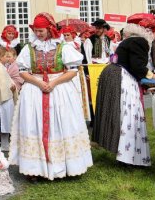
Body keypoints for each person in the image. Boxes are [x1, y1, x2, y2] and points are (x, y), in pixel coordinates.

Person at [10, 13, 93, 181]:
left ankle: (64, 167)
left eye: (41, 30)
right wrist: (39, 83)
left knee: (61, 125)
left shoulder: (63, 46)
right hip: (34, 90)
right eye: (36, 31)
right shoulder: (29, 48)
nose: (38, 34)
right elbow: (23, 72)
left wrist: (54, 83)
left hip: (60, 90)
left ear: (49, 29)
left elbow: (72, 71)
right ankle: (35, 169)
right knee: (34, 125)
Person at [92, 19, 155, 166]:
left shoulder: (131, 40)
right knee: (128, 116)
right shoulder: (141, 41)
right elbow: (137, 66)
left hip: (113, 74)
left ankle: (122, 152)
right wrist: (152, 76)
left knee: (117, 114)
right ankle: (127, 156)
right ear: (150, 31)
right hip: (121, 77)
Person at [0, 47, 16, 152]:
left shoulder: (0, 66)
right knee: (3, 123)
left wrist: (11, 86)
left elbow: (6, 80)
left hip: (6, 99)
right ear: (0, 57)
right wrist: (11, 88)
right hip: (2, 100)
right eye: (6, 56)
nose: (8, 58)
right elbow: (0, 84)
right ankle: (4, 144)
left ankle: (6, 144)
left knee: (7, 122)